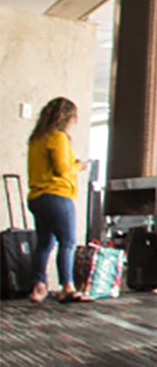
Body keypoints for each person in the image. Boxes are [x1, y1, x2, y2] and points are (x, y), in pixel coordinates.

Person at [25, 97, 89, 304]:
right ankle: (67, 287)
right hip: (57, 196)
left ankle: (38, 286)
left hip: (37, 197)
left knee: (44, 243)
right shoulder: (58, 137)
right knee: (68, 242)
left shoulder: (36, 139)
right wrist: (79, 166)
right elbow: (62, 170)